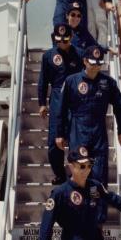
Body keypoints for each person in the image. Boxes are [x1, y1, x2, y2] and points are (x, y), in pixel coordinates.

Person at [56, 44, 121, 190]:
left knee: (99, 175)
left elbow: (120, 107)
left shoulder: (108, 83)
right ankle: (77, 208)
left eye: (99, 64)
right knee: (78, 173)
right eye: (92, 63)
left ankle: (98, 210)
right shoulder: (71, 81)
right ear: (85, 61)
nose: (96, 67)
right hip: (77, 131)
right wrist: (59, 134)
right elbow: (61, 110)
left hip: (98, 133)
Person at [37, 24, 84, 185]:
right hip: (57, 97)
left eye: (65, 40)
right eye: (59, 40)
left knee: (74, 140)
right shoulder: (48, 56)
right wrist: (42, 103)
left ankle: (77, 176)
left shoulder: (79, 54)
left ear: (70, 37)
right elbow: (43, 81)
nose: (62, 43)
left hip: (75, 99)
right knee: (53, 143)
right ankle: (59, 174)